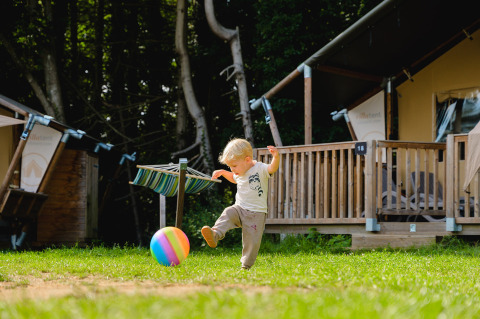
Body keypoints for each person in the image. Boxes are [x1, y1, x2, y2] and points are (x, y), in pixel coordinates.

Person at [201, 138, 279, 269]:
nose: (232, 169)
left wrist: (276, 157)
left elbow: (272, 168)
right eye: (229, 166)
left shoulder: (260, 168)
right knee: (228, 212)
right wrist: (223, 172)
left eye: (234, 166)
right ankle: (215, 234)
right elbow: (234, 178)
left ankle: (246, 266)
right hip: (240, 208)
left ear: (247, 160)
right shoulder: (239, 171)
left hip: (256, 213)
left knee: (251, 241)